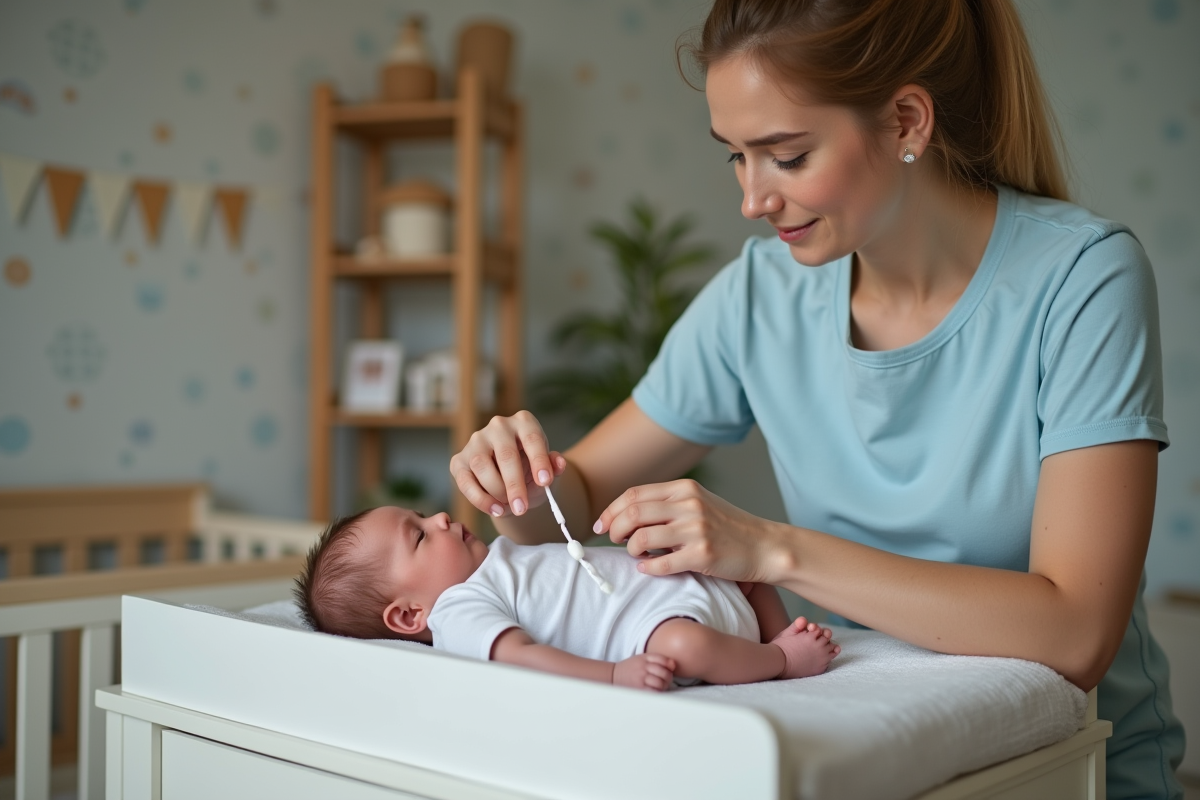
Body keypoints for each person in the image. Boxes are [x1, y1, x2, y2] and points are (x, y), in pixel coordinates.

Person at [448, 1, 1185, 797]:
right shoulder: (757, 299)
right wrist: (516, 480)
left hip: (1076, 767)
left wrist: (770, 547)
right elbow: (576, 497)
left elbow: (1074, 633)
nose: (752, 199)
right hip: (879, 752)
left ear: (906, 121)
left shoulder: (1082, 279)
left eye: (786, 156)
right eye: (735, 156)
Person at [293, 505, 840, 690]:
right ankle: (779, 660)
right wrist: (613, 675)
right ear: (411, 615)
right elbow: (522, 656)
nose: (438, 517)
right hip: (658, 627)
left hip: (681, 586)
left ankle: (773, 630)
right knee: (687, 644)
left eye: (421, 515)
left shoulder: (501, 557)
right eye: (419, 535)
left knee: (743, 563)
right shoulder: (459, 610)